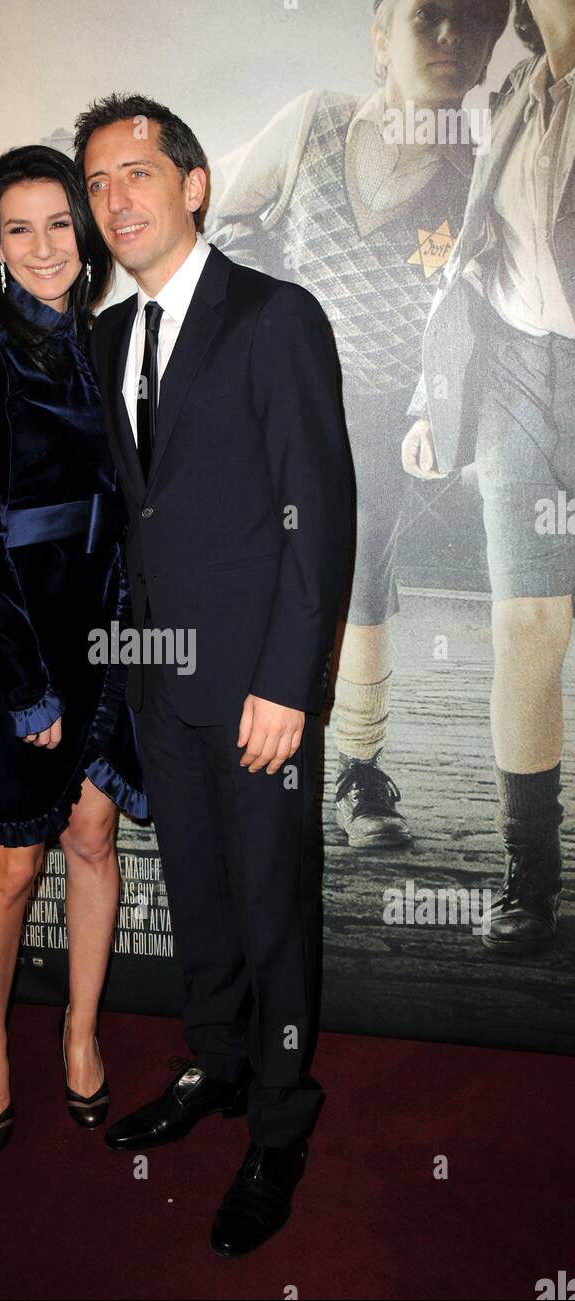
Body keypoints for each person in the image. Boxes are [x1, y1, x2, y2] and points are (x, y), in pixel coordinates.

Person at [76, 94, 354, 1256]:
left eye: (138, 172)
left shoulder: (273, 317)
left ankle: (281, 1120)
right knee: (196, 896)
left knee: (274, 915)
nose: (116, 198)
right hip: (162, 686)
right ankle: (219, 1066)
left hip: (257, 696)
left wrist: (288, 682)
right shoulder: (101, 338)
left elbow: (323, 515)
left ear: (194, 185)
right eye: (98, 183)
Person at [207, 0, 510, 849]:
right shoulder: (312, 122)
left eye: (475, 24)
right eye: (428, 19)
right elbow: (224, 222)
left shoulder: (479, 166)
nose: (453, 38)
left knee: (359, 575)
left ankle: (358, 771)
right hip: (279, 399)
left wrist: (435, 403)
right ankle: (234, 754)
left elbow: (475, 309)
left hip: (381, 411)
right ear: (380, 38)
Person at [0, 145, 148, 1151]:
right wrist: (25, 679)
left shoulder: (114, 343)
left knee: (93, 837)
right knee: (13, 864)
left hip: (108, 622)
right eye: (19, 228)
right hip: (20, 630)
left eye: (60, 221)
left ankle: (79, 1028)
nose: (45, 245)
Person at [401, 0, 575, 955]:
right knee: (524, 625)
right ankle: (530, 882)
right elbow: (474, 259)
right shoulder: (511, 95)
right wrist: (436, 401)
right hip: (512, 375)